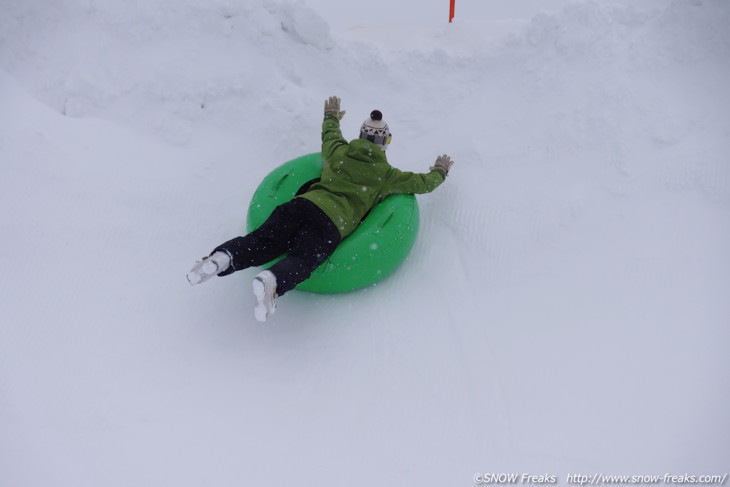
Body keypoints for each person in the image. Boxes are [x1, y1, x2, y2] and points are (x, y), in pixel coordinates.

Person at [187, 96, 454, 322]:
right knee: (304, 259)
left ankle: (221, 258)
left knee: (262, 240)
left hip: (302, 204)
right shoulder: (386, 175)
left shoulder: (338, 152)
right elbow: (421, 184)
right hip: (330, 223)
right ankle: (273, 281)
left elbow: (330, 134)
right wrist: (439, 172)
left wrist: (331, 115)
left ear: (360, 136)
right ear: (384, 144)